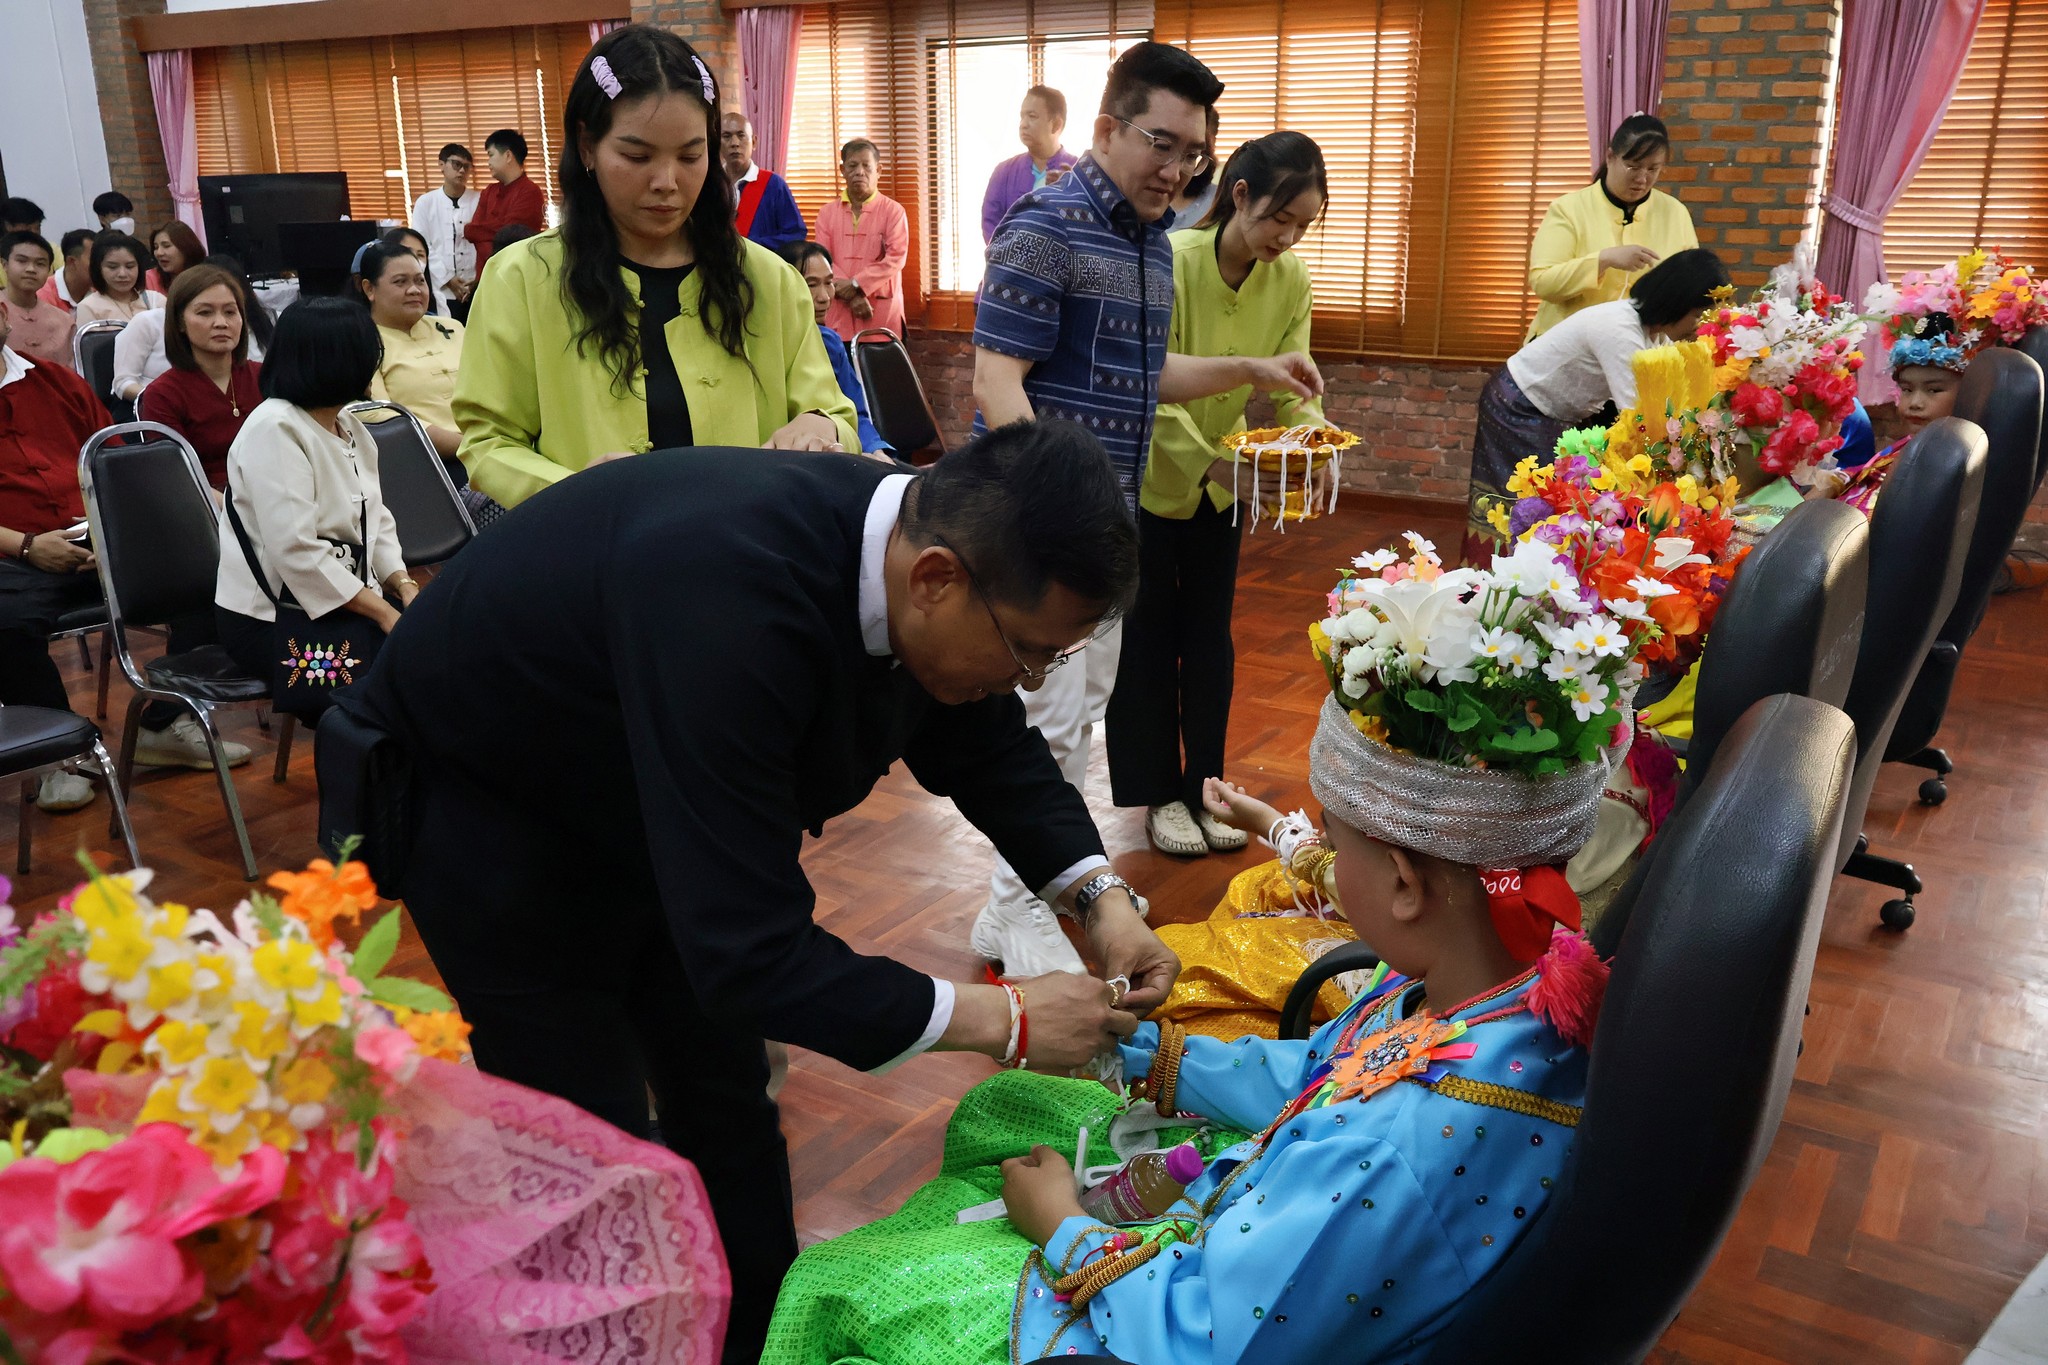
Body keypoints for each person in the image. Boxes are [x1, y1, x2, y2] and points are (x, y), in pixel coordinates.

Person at [337, 417, 1182, 1364]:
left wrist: (1100, 903)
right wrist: (1012, 1021)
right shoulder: (724, 595)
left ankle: (766, 1339)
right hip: (496, 824)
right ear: (935, 578)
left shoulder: (910, 549)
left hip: (653, 809)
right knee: (591, 1153)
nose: (1026, 680)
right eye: (1028, 651)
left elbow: (986, 744)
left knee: (728, 1104)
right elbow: (750, 950)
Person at [761, 536, 1621, 1365]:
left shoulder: (1395, 1147)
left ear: (1403, 880)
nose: (1316, 857)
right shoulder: (1486, 992)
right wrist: (1142, 1047)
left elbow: (1206, 1333)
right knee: (1005, 1109)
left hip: (1176, 1314)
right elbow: (1320, 1074)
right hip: (1258, 1227)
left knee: (835, 1283)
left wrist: (1061, 1223)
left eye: (1330, 836)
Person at [969, 41, 1321, 975]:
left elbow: (1148, 376)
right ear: (1107, 129)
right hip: (1040, 533)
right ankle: (1016, 913)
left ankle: (1013, 904)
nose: (1176, 169)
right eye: (1159, 144)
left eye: (1193, 153)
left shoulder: (1150, 246)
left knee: (1075, 724)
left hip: (1107, 531)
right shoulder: (1043, 227)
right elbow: (997, 383)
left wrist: (1251, 367)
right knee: (1040, 729)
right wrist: (1055, 515)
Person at [453, 26, 857, 510]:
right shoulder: (521, 279)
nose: (668, 182)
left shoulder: (767, 279)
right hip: (596, 562)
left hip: (747, 555)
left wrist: (821, 425)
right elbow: (488, 444)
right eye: (637, 156)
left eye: (690, 155)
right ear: (587, 147)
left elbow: (834, 412)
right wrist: (575, 490)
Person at [1108, 131, 1328, 861]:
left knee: (1209, 639)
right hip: (1151, 478)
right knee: (1146, 639)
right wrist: (1207, 465)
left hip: (1222, 485)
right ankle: (1157, 795)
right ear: (1239, 195)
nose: (1286, 238)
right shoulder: (1171, 262)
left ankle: (1205, 785)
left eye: (1302, 226)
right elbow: (1143, 388)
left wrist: (1317, 437)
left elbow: (1297, 382)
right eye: (1278, 219)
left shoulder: (1289, 280)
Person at [1463, 247, 1730, 564]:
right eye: (1699, 315)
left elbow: (1668, 403)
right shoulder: (1619, 329)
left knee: (1548, 508)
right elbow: (1639, 416)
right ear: (1677, 303)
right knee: (1521, 509)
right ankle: (1491, 589)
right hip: (1518, 407)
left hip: (1552, 414)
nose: (1699, 328)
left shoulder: (1655, 335)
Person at [216, 297, 411, 726]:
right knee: (383, 691)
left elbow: (376, 519)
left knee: (436, 661)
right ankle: (372, 787)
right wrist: (385, 614)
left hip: (345, 604)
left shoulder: (349, 424)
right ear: (342, 361)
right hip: (272, 620)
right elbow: (297, 552)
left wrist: (403, 583)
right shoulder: (275, 427)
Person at [0, 297, 110, 811]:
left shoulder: (56, 382)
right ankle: (53, 755)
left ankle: (161, 720)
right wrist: (26, 545)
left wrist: (109, 538)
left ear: (2, 317)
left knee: (202, 574)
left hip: (94, 537)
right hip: (12, 551)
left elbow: (112, 459)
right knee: (9, 622)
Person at [1525, 113, 1699, 342]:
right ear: (1610, 157)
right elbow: (1543, 283)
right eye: (1633, 166)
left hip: (1638, 350)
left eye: (1652, 169)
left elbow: (1693, 284)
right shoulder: (1568, 208)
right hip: (1565, 346)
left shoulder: (1675, 212)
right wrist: (1603, 260)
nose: (1642, 179)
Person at [139, 264, 265, 491]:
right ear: (179, 322)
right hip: (208, 509)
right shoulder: (163, 394)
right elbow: (176, 478)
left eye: (230, 312)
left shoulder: (265, 376)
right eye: (205, 312)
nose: (221, 323)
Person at [355, 239, 464, 459]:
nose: (414, 290)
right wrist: (466, 447)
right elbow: (380, 414)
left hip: (495, 445)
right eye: (400, 282)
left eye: (420, 280)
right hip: (428, 461)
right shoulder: (360, 341)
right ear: (369, 289)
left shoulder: (452, 327)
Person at [790, 241, 888, 455]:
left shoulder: (830, 342)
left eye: (829, 283)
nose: (824, 297)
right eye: (811, 284)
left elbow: (857, 413)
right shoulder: (772, 346)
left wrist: (876, 450)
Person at [813, 138, 909, 341]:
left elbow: (896, 258)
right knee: (840, 368)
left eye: (867, 166)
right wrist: (851, 294)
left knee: (880, 371)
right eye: (853, 165)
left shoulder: (893, 212)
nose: (859, 172)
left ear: (879, 170)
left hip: (881, 311)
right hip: (839, 312)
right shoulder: (826, 213)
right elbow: (823, 259)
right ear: (842, 169)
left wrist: (858, 284)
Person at [980, 85, 1078, 243]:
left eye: (1032, 116)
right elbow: (990, 226)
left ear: (1056, 125)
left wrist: (1071, 191)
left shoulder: (1079, 171)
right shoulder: (1003, 172)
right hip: (1011, 266)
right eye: (1022, 116)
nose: (1023, 124)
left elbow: (1091, 232)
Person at [463, 128, 547, 277]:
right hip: (485, 277)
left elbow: (510, 238)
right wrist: (492, 231)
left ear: (508, 155)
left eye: (491, 155)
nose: (488, 162)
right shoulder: (488, 191)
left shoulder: (530, 192)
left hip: (515, 275)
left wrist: (481, 233)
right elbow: (470, 231)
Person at [721, 111, 805, 256]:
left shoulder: (773, 185)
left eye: (741, 136)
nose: (735, 143)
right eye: (726, 136)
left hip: (763, 271)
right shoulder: (709, 185)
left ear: (753, 142)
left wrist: (752, 245)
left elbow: (795, 236)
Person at [409, 143, 479, 314]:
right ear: (442, 165)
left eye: (466, 167)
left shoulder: (479, 199)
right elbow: (421, 245)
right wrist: (448, 279)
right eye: (456, 164)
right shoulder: (426, 202)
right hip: (439, 288)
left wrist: (475, 281)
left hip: (475, 288)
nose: (462, 171)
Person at [0, 232, 74, 371]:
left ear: (49, 270)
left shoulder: (64, 321)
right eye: (22, 261)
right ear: (5, 265)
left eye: (40, 264)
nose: (31, 269)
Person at [75, 232, 165, 323]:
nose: (122, 274)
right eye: (112, 267)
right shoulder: (88, 307)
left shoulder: (156, 301)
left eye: (130, 266)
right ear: (98, 268)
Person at [36, 230, 95, 312]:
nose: (101, 265)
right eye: (94, 259)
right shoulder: (43, 297)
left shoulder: (103, 290)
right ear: (71, 261)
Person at [146, 221, 204, 295]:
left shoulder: (207, 278)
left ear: (186, 247)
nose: (159, 253)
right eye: (156, 247)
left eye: (166, 246)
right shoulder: (149, 279)